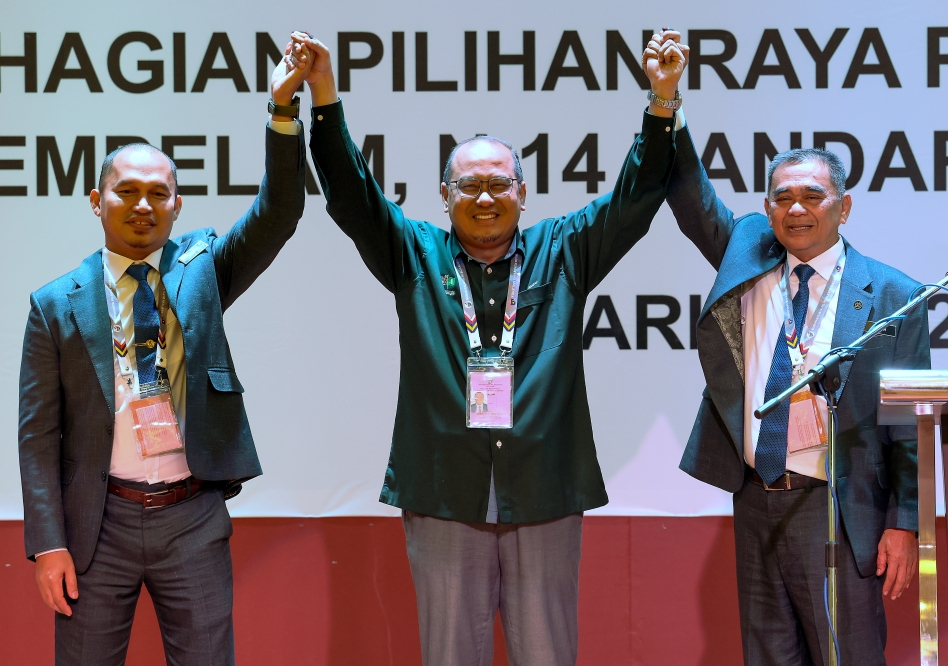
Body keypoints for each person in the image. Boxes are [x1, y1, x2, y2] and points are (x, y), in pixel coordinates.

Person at [288, 28, 686, 666]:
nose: (484, 198)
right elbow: (349, 192)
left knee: (548, 655)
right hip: (445, 489)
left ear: (522, 194)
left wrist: (661, 103)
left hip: (545, 488)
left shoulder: (566, 249)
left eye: (499, 184)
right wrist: (326, 94)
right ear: (444, 196)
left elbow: (637, 199)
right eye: (468, 186)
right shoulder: (413, 251)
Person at [18, 44, 312, 666]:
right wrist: (48, 544)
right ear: (97, 203)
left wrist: (283, 111)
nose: (144, 205)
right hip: (98, 525)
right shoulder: (54, 304)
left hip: (191, 518)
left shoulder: (200, 271)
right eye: (127, 193)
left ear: (177, 205)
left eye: (159, 193)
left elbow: (279, 214)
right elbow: (38, 437)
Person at [663, 30, 930, 665]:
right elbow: (690, 196)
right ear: (767, 208)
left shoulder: (895, 294)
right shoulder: (748, 258)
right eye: (783, 197)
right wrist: (668, 103)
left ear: (844, 207)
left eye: (814, 196)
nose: (797, 208)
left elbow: (908, 426)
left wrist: (905, 522)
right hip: (757, 499)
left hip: (839, 507)